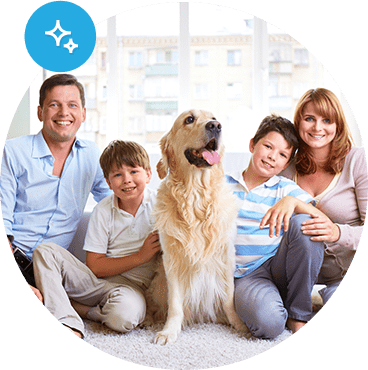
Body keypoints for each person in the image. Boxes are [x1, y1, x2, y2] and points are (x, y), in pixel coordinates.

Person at [33, 140, 161, 339]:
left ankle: (82, 310)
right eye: (118, 175)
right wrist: (140, 257)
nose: (127, 180)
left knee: (124, 317)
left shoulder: (161, 206)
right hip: (96, 283)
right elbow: (95, 266)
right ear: (109, 183)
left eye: (134, 171)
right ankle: (68, 321)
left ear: (148, 174)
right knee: (45, 251)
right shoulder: (103, 210)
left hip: (133, 289)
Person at [0, 74, 111, 301]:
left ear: (83, 113)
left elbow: (114, 199)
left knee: (123, 308)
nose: (64, 113)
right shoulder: (13, 151)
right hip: (15, 261)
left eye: (72, 105)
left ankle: (73, 308)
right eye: (54, 105)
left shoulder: (91, 153)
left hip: (55, 268)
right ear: (40, 112)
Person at [227, 115, 326, 339]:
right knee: (269, 325)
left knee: (306, 223)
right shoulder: (222, 183)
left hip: (279, 265)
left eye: (282, 155)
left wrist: (293, 202)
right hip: (246, 275)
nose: (272, 157)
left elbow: (322, 221)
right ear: (253, 145)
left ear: (287, 162)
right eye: (268, 147)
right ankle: (275, 302)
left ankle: (299, 314)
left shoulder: (285, 188)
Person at [275, 88, 368, 305]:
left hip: (344, 275)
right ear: (298, 123)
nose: (317, 127)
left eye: (327, 120)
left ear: (338, 126)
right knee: (301, 221)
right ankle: (299, 304)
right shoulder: (286, 166)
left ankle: (322, 297)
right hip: (293, 275)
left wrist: (337, 232)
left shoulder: (356, 161)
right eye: (309, 119)